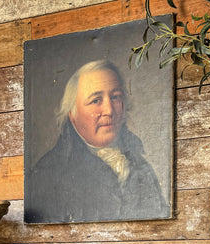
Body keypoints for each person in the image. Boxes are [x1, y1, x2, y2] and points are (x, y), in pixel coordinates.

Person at [25, 60, 169, 224]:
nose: (109, 110)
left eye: (115, 97)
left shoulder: (140, 165)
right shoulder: (47, 174)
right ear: (72, 114)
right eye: (95, 100)